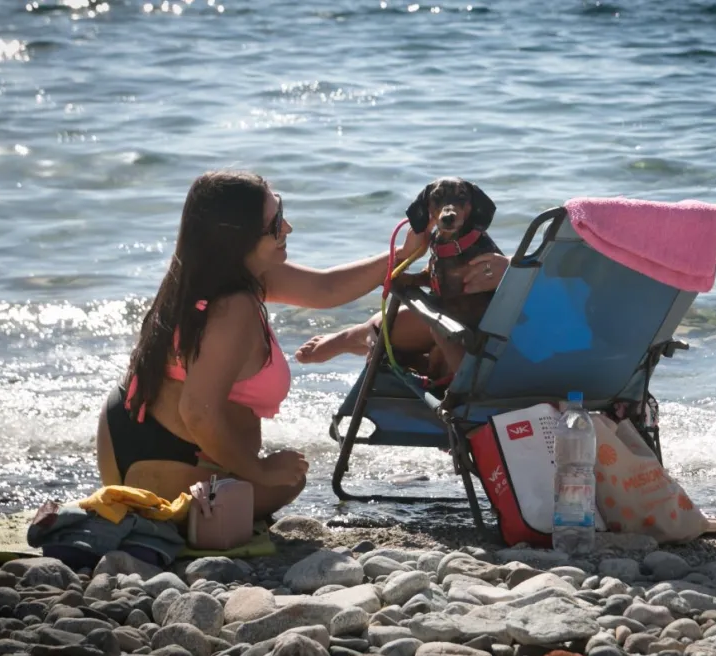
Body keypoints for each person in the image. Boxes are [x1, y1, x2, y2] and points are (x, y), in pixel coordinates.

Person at [95, 170, 428, 520]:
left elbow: (325, 289)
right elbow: (196, 412)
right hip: (158, 460)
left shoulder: (218, 271)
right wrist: (259, 470)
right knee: (288, 481)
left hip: (135, 433)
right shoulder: (233, 308)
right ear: (238, 237)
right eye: (275, 224)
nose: (287, 229)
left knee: (284, 476)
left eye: (280, 211)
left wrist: (405, 252)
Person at [294, 252, 511, 365]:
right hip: (527, 352)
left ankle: (356, 337)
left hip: (489, 349)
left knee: (441, 322)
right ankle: (358, 337)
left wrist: (514, 269)